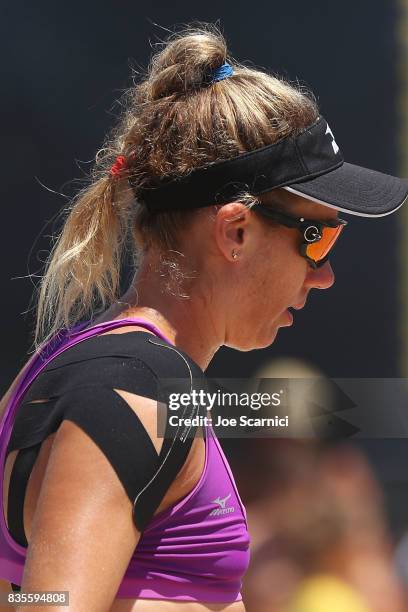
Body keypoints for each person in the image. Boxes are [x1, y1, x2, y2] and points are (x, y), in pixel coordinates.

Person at [0, 23, 407, 612]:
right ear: (236, 231)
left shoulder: (87, 370)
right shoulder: (133, 392)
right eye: (317, 239)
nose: (325, 275)